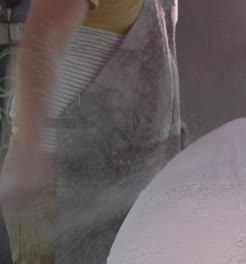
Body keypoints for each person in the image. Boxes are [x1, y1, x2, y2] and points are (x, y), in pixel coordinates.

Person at [0, 0, 181, 263]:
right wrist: (29, 151)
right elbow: (40, 43)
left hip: (118, 181)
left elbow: (149, 51)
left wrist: (167, 121)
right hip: (57, 177)